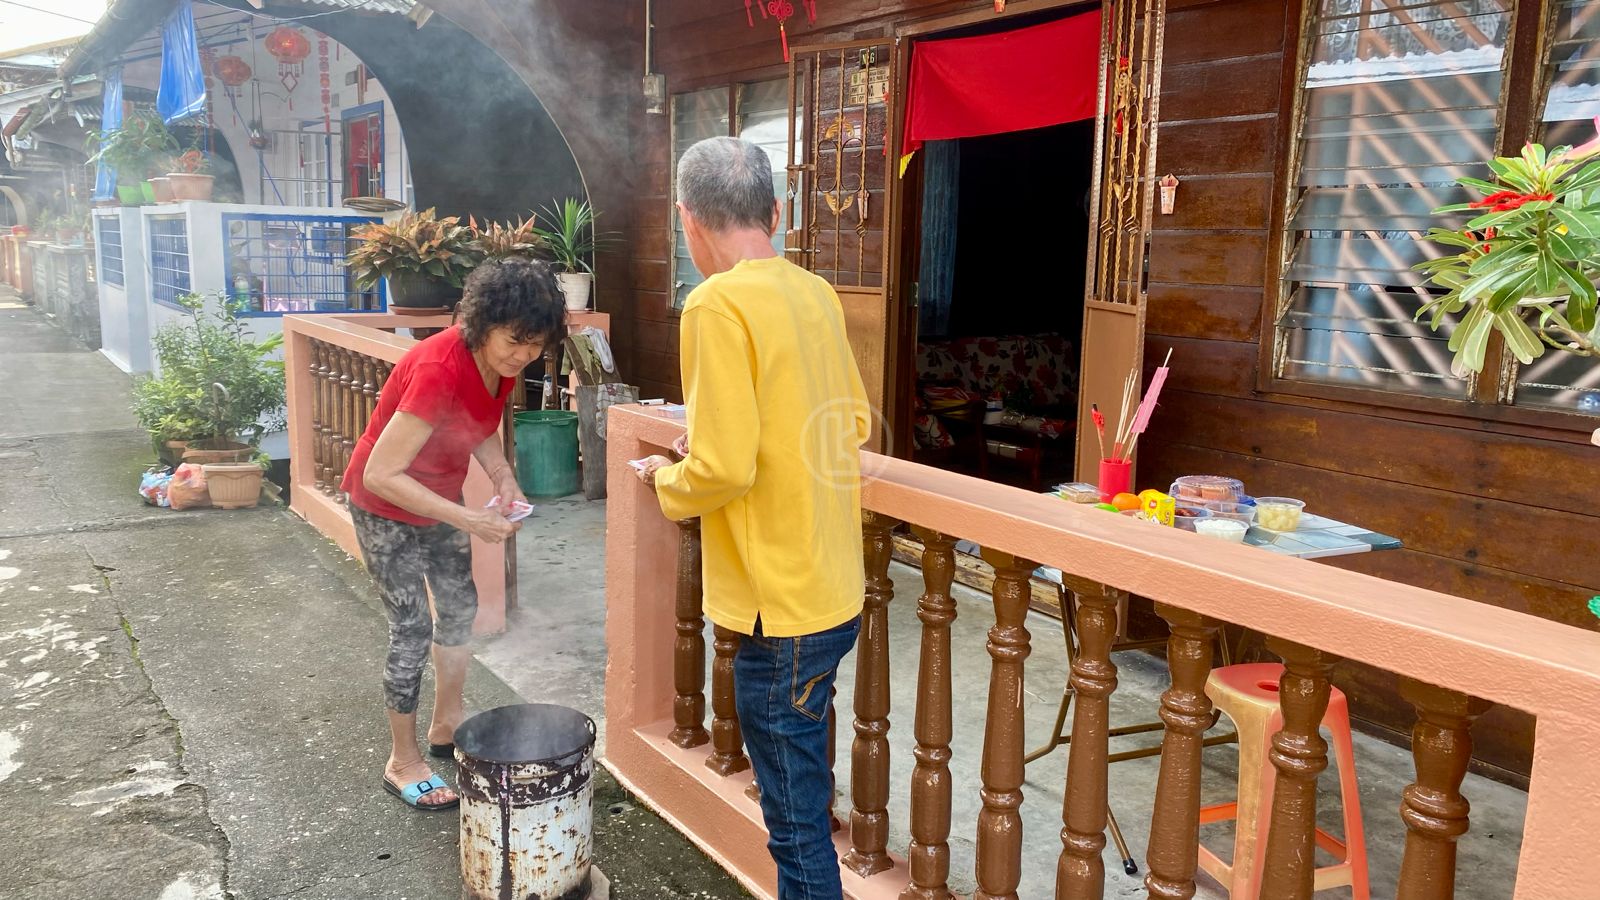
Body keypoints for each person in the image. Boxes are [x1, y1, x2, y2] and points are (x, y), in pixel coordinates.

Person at [636, 136, 872, 899]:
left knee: (796, 824)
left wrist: (671, 479)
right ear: (775, 212)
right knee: (805, 797)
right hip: (835, 587)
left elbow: (726, 468)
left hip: (779, 608)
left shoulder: (714, 302)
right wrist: (707, 441)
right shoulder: (816, 292)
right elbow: (851, 422)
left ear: (687, 220)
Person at [342, 257, 565, 811]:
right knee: (412, 627)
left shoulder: (501, 365)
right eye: (515, 341)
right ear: (482, 321)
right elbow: (381, 474)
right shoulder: (439, 367)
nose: (523, 356)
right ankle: (403, 759)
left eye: (535, 345)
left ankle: (448, 721)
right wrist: (468, 517)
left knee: (460, 610)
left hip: (436, 503)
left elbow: (476, 425)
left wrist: (502, 475)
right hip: (384, 505)